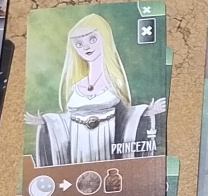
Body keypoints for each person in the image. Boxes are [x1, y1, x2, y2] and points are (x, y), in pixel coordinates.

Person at [30, 13, 166, 166]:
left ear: (104, 38)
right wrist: (46, 121)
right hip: (79, 146)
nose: (86, 47)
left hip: (108, 141)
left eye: (92, 39)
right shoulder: (76, 86)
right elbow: (68, 120)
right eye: (79, 44)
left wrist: (147, 112)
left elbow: (125, 115)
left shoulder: (114, 82)